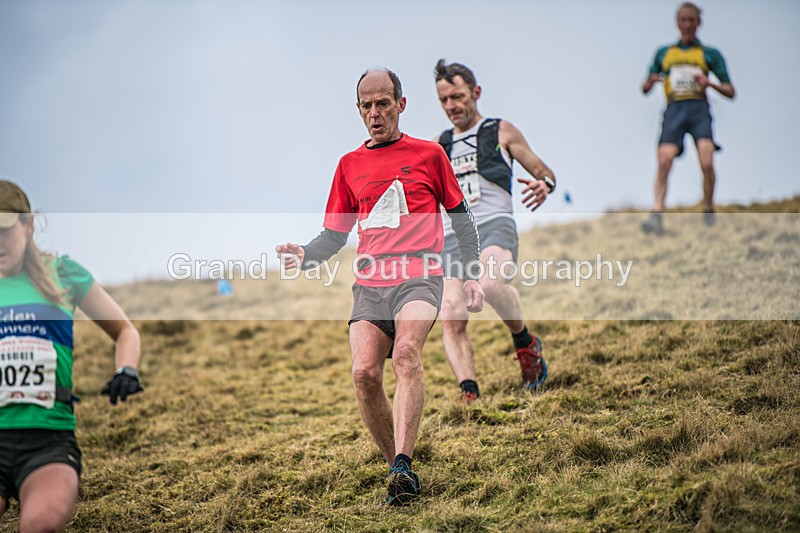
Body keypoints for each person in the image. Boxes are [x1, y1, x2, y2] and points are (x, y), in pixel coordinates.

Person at [276, 68, 484, 506]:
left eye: (383, 103)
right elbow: (335, 235)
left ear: (401, 105)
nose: (375, 113)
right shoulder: (348, 166)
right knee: (364, 374)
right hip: (370, 284)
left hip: (419, 277)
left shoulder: (429, 155)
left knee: (406, 354)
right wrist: (306, 255)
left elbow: (462, 222)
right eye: (366, 106)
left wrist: (469, 274)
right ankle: (398, 470)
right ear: (358, 110)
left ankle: (405, 462)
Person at [0, 180, 143, 531]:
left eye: (4, 229)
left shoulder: (63, 273)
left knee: (41, 526)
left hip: (49, 443)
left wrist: (127, 369)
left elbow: (125, 330)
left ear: (28, 225)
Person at [433, 59, 556, 402]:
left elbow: (542, 169)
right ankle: (469, 393)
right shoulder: (437, 146)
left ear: (476, 92)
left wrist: (544, 184)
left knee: (489, 283)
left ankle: (525, 343)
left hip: (494, 225)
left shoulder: (501, 130)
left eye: (457, 97)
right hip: (452, 237)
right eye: (443, 100)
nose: (451, 106)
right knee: (451, 314)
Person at [641, 2, 735, 235]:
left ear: (698, 23)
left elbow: (730, 90)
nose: (687, 24)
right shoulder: (664, 53)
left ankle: (708, 207)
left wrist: (709, 83)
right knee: (664, 161)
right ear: (677, 22)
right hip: (674, 109)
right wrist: (651, 82)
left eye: (691, 19)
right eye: (683, 19)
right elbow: (644, 87)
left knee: (706, 162)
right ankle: (657, 212)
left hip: (699, 110)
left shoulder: (709, 54)